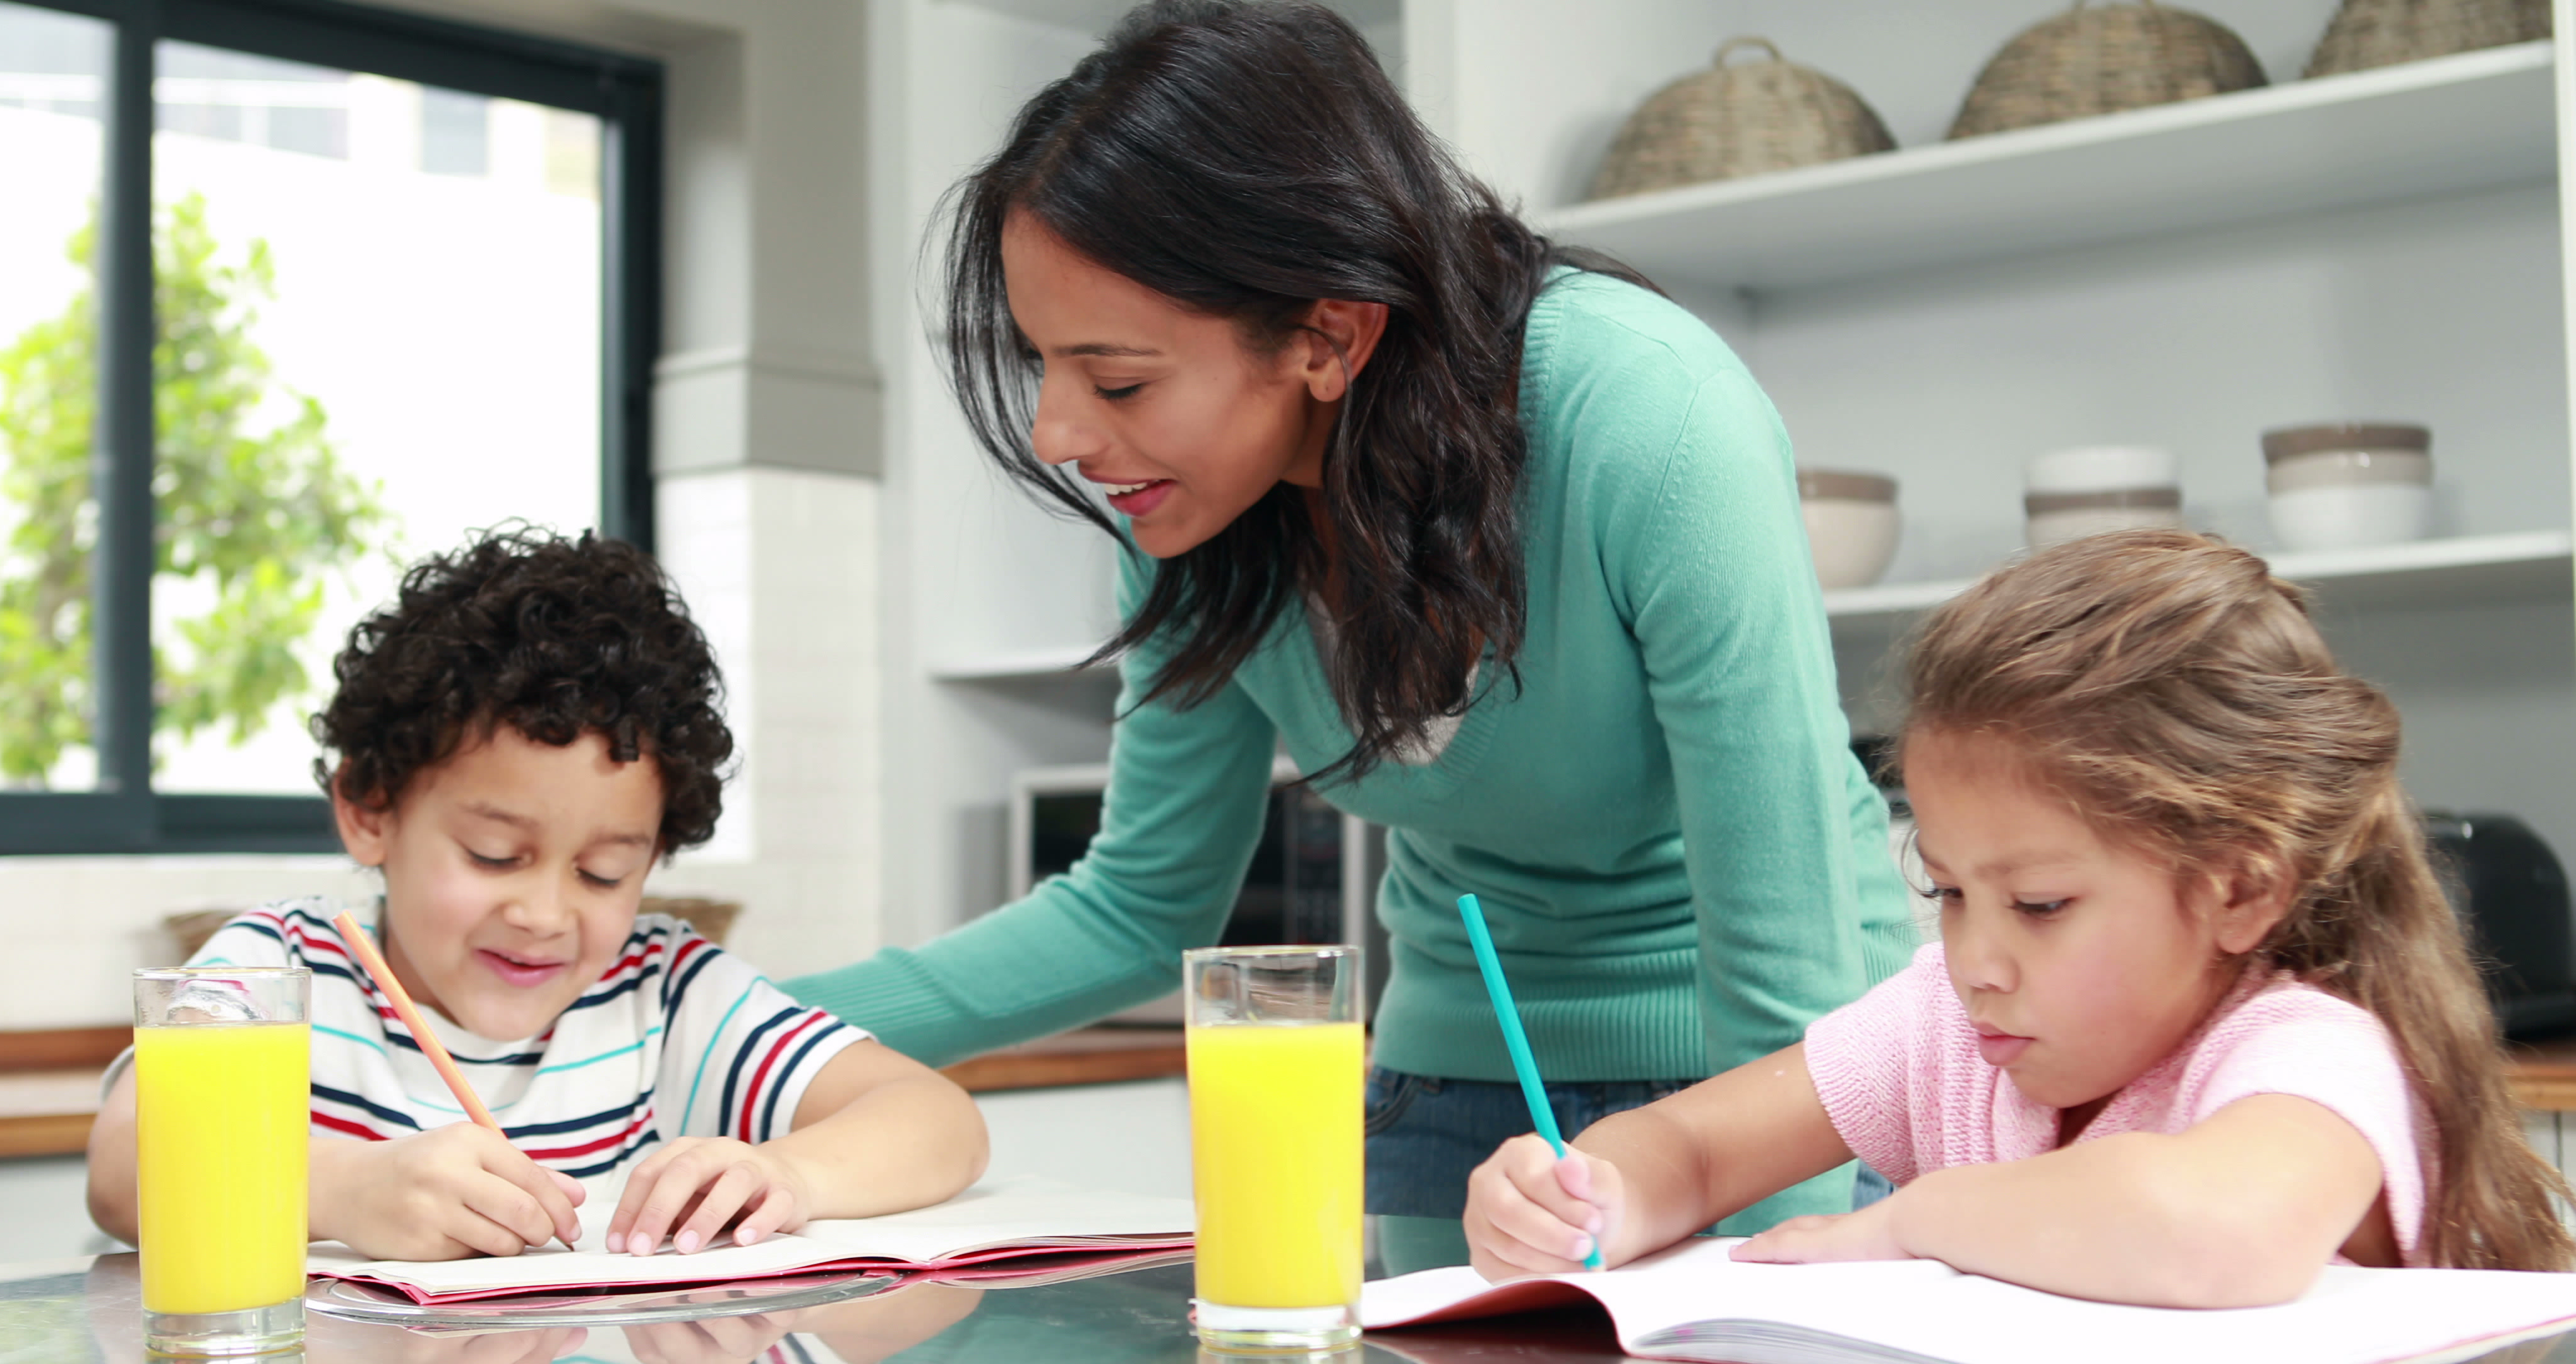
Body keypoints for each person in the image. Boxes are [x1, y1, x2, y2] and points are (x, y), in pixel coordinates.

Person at [780, 0, 1913, 1229]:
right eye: (1041, 367)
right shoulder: (1193, 523)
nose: (1058, 435)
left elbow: (1784, 965)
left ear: (1327, 334)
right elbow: (1136, 909)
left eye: (1115, 379)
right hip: (1452, 1074)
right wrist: (715, 1028)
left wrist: (1763, 1271)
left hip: (1764, 1073)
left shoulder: (1650, 418)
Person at [1463, 530, 2576, 1305]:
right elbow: (1693, 1151)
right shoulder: (1953, 1026)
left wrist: (1912, 1220)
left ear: (2242, 889)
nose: (1976, 958)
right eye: (1947, 892)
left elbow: (2215, 1232)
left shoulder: (2309, 1052)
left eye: (2040, 905)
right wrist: (1582, 1196)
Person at [86, 529, 987, 1262]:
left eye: (603, 873)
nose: (547, 915)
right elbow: (125, 1167)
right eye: (492, 854)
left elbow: (936, 1119)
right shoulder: (281, 970)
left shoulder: (662, 991)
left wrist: (790, 1175)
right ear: (369, 810)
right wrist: (345, 1190)